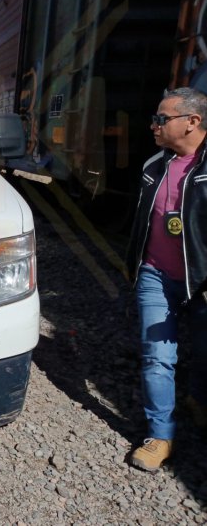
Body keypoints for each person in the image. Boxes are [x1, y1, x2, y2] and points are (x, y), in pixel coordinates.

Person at [126, 86, 207, 472]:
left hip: (203, 283)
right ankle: (160, 436)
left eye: (162, 118)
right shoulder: (153, 166)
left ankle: (198, 398)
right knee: (157, 357)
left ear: (192, 122)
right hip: (156, 276)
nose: (154, 125)